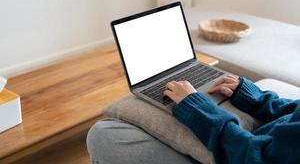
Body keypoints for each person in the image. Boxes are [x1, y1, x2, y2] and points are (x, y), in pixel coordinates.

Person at [87, 76, 300, 164]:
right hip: (263, 139)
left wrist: (198, 108)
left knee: (104, 134)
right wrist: (259, 99)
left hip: (242, 153)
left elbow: (255, 158)